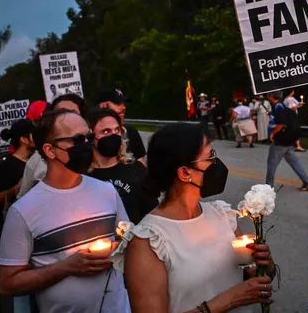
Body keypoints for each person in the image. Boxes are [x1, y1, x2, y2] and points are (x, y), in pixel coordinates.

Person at [111, 123, 275, 313]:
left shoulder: (221, 215)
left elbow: (252, 276)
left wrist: (265, 266)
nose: (217, 164)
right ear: (185, 172)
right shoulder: (148, 241)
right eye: (210, 157)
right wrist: (230, 300)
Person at [0, 109, 130, 313]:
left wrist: (117, 249)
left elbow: (128, 241)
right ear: (50, 150)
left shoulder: (107, 191)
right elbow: (7, 283)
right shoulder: (23, 212)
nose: (87, 145)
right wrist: (67, 267)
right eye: (78, 140)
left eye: (89, 137)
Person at [86, 108, 157, 224]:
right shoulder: (84, 176)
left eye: (117, 130)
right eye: (106, 131)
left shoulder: (136, 170)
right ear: (90, 136)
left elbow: (152, 214)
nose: (114, 135)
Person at [18, 94, 90, 199]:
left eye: (72, 113)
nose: (65, 117)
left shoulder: (96, 149)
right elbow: (22, 198)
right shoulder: (36, 161)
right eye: (59, 113)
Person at [0, 119, 36, 233]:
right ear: (24, 139)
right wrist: (15, 190)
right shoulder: (7, 167)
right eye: (34, 135)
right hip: (15, 231)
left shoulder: (36, 161)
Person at [267, 91, 308, 191]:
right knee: (294, 161)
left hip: (281, 139)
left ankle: (268, 188)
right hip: (289, 138)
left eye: (268, 95)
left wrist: (273, 133)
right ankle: (307, 182)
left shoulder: (278, 107)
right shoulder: (283, 105)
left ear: (271, 96)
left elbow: (281, 123)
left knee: (272, 162)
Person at [97, 88, 147, 165]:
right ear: (103, 105)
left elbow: (142, 164)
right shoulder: (92, 135)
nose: (123, 107)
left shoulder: (131, 132)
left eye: (123, 104)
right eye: (118, 104)